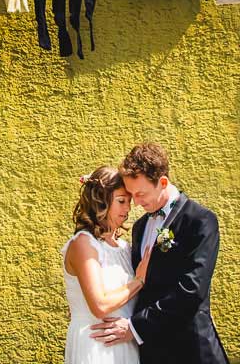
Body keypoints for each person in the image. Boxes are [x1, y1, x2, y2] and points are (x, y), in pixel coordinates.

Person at [90, 143, 230, 364]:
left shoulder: (200, 220)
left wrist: (135, 327)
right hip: (152, 352)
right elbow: (136, 282)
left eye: (141, 193)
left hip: (192, 349)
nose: (135, 202)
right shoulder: (139, 227)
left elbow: (192, 290)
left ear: (162, 183)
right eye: (131, 195)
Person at [62, 165, 152, 364]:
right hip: (95, 345)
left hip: (125, 343)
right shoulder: (83, 244)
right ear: (100, 201)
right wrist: (139, 280)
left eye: (129, 202)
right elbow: (100, 306)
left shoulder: (124, 247)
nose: (127, 209)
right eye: (121, 201)